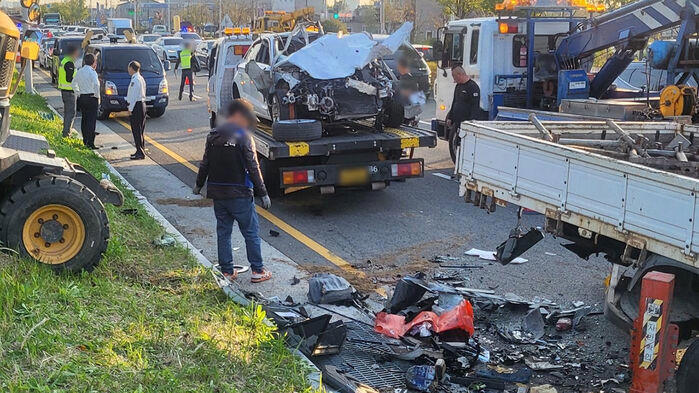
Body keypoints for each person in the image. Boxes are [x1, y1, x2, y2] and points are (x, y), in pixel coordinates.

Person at [193, 99, 273, 284]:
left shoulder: (212, 136)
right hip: (240, 194)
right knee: (250, 232)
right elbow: (253, 167)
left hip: (218, 194)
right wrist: (263, 193)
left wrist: (198, 184)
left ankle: (227, 271)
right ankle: (258, 270)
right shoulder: (244, 137)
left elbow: (205, 163)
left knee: (223, 232)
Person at [72, 53, 100, 149]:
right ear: (93, 62)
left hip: (82, 97)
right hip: (92, 97)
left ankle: (85, 140)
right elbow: (96, 85)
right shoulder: (92, 72)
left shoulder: (80, 71)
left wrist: (78, 92)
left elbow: (73, 82)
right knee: (91, 120)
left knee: (84, 119)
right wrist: (97, 96)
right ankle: (90, 142)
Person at [126, 61, 147, 160]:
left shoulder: (135, 80)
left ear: (131, 68)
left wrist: (130, 108)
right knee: (140, 130)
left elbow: (133, 96)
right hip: (141, 104)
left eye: (128, 67)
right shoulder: (140, 78)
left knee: (136, 130)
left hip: (137, 106)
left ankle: (140, 152)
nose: (128, 69)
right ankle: (140, 149)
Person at [58, 45, 80, 137]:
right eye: (76, 53)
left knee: (68, 112)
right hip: (69, 91)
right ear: (73, 53)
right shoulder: (69, 63)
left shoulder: (65, 61)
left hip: (65, 91)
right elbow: (69, 79)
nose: (77, 55)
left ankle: (66, 131)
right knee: (70, 113)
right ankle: (66, 133)